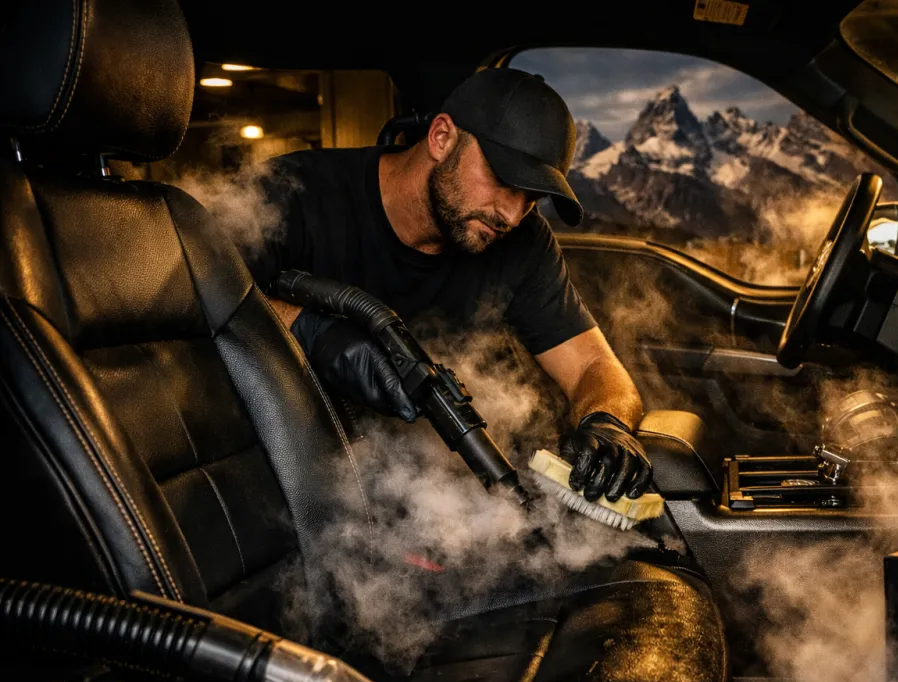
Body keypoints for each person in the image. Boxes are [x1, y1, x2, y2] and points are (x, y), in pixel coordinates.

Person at [242, 68, 651, 503]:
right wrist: (308, 330)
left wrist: (606, 422)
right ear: (441, 138)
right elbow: (192, 306)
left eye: (531, 198)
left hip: (427, 498)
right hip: (283, 477)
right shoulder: (292, 195)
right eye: (504, 180)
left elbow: (594, 367)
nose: (511, 216)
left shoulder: (525, 242)